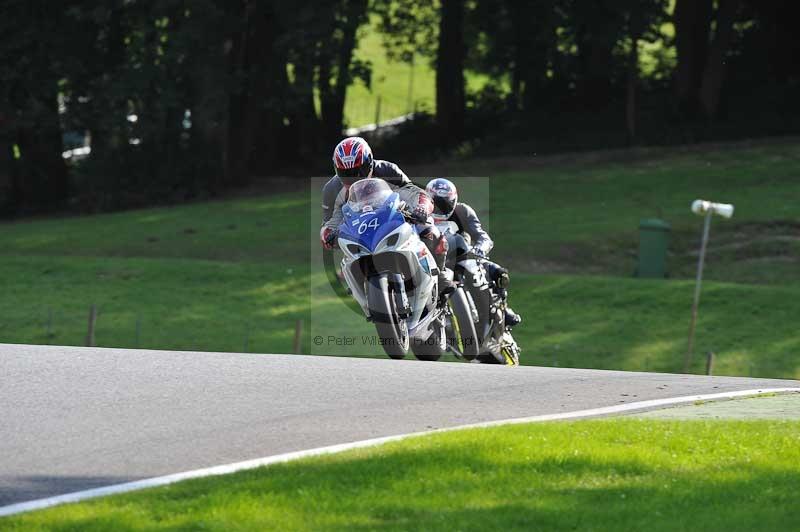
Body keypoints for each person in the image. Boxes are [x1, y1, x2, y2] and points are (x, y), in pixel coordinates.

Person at [320, 136, 455, 298]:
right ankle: (360, 289)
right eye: (346, 173)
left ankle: (439, 275)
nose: (354, 177)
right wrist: (328, 234)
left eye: (358, 171)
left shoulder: (387, 170)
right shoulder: (332, 189)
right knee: (346, 259)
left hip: (393, 220)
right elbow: (329, 222)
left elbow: (414, 192)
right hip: (359, 233)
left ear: (369, 163)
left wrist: (422, 208)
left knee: (429, 229)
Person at [426, 178, 521, 327]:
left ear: (453, 201)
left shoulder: (463, 211)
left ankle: (503, 307)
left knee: (499, 272)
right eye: (436, 204)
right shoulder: (420, 215)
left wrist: (480, 248)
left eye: (445, 204)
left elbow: (482, 236)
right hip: (434, 261)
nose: (440, 209)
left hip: (464, 255)